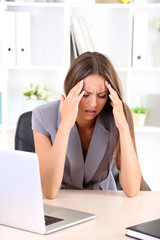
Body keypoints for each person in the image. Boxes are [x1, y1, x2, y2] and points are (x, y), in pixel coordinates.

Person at [32, 51, 147, 199]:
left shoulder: (117, 114)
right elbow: (48, 191)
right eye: (85, 94)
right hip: (61, 199)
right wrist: (65, 126)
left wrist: (123, 128)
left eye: (102, 95)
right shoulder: (42, 116)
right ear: (70, 89)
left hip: (103, 200)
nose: (93, 104)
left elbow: (132, 190)